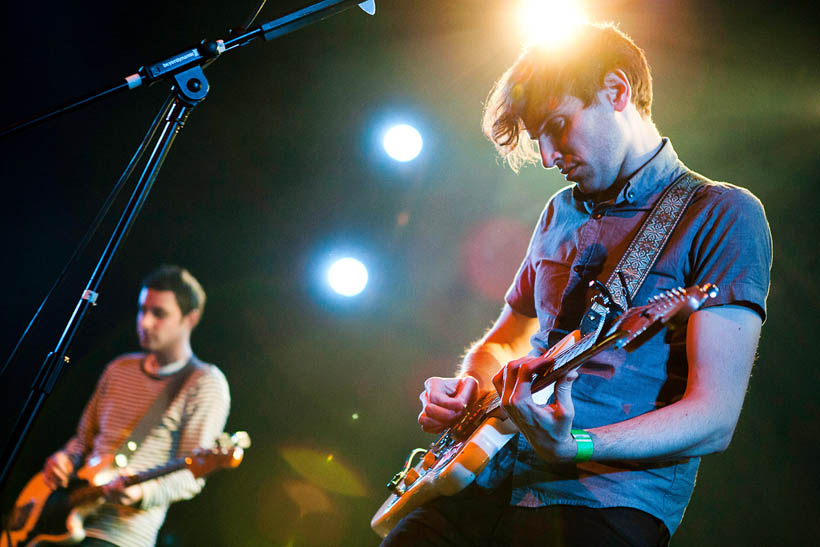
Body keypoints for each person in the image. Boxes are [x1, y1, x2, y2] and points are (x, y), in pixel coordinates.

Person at [383, 22, 772, 546]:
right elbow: (504, 340)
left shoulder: (723, 213)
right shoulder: (557, 213)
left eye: (557, 125)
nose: (546, 157)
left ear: (616, 91)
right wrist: (468, 390)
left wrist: (577, 445)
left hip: (601, 505)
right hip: (481, 482)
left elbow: (713, 418)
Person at [42, 265, 230, 547]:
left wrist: (143, 492)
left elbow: (192, 475)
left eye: (159, 313)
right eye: (143, 310)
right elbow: (83, 441)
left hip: (119, 536)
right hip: (59, 518)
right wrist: (63, 461)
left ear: (190, 319)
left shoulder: (205, 383)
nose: (145, 322)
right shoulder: (119, 368)